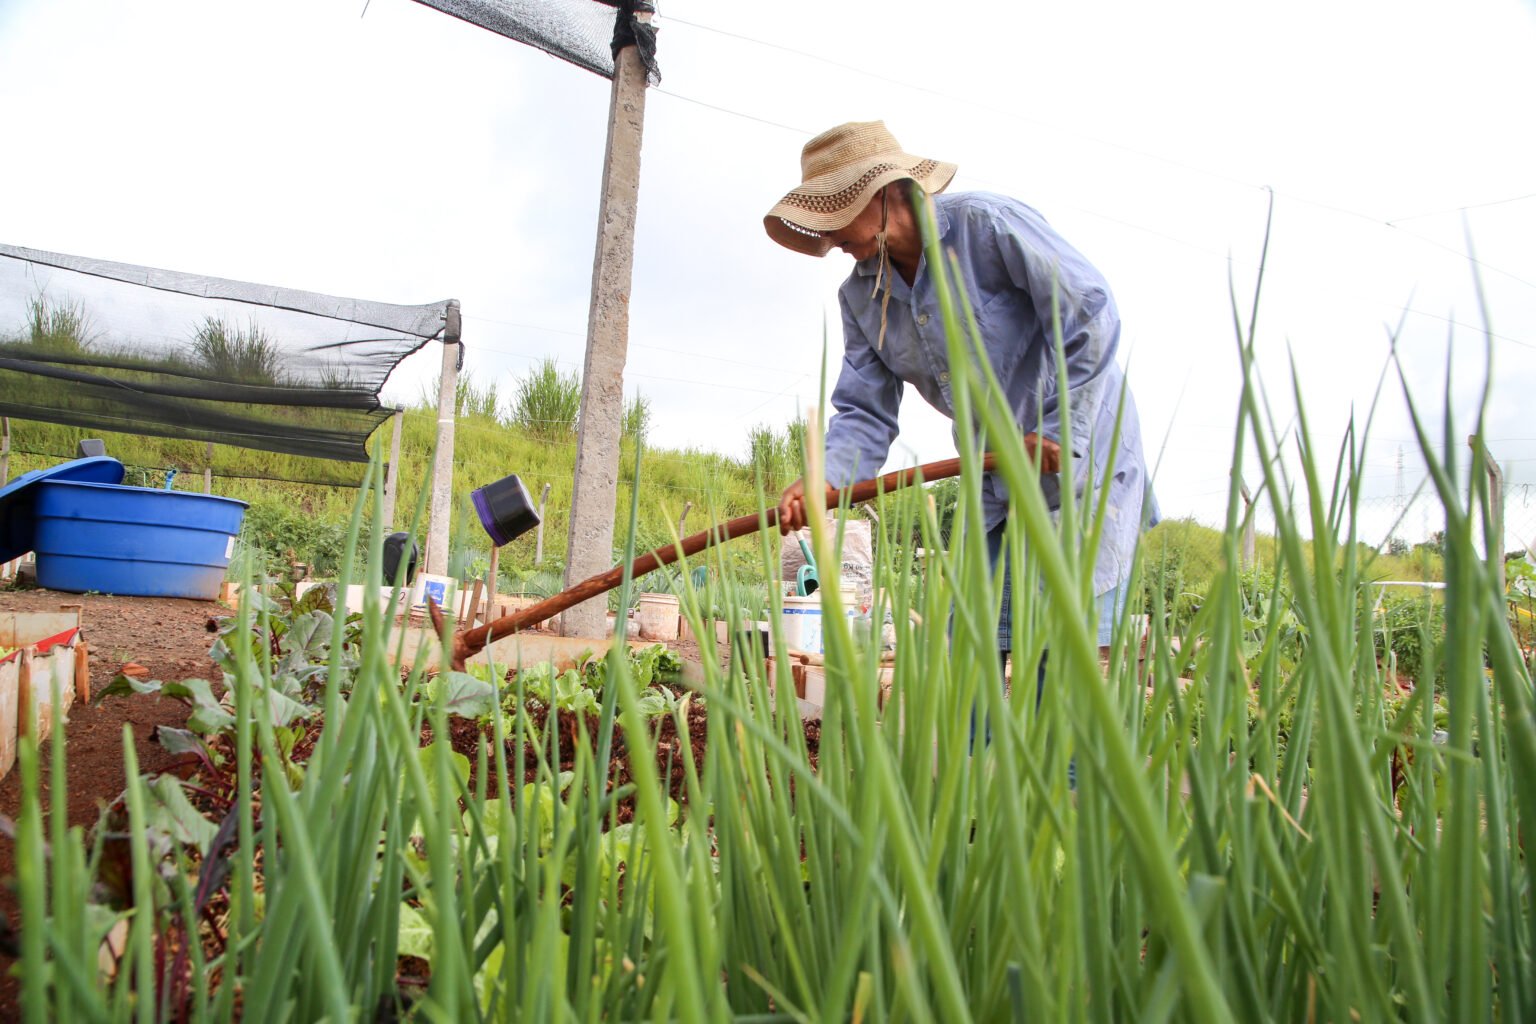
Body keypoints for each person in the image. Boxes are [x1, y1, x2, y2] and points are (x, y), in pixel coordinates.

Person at [766, 120, 1155, 663]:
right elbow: (864, 412)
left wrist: (1058, 429)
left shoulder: (987, 228)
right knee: (971, 660)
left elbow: (1088, 313)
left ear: (882, 194)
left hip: (1079, 468)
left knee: (1065, 666)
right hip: (995, 481)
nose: (828, 240)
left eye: (834, 218)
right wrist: (824, 480)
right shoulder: (860, 295)